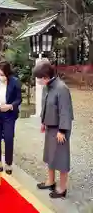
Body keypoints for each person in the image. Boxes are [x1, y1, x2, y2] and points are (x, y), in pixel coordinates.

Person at [33, 61, 74, 199]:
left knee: (61, 158)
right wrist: (43, 122)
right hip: (50, 126)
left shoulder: (61, 88)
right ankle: (50, 181)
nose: (38, 81)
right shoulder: (47, 87)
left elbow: (65, 111)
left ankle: (62, 188)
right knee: (50, 155)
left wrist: (62, 130)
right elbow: (45, 106)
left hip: (60, 129)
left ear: (45, 76)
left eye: (39, 78)